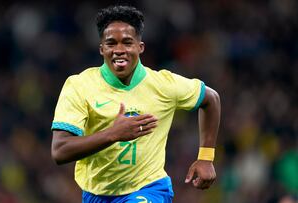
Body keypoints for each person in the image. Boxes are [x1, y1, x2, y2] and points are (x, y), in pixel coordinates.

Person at [51, 5, 221, 203]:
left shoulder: (163, 85)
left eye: (127, 42)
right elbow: (60, 151)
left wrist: (206, 157)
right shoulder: (79, 86)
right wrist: (112, 134)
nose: (119, 50)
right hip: (96, 194)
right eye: (111, 43)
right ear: (102, 49)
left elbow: (211, 99)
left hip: (149, 188)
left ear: (140, 47)